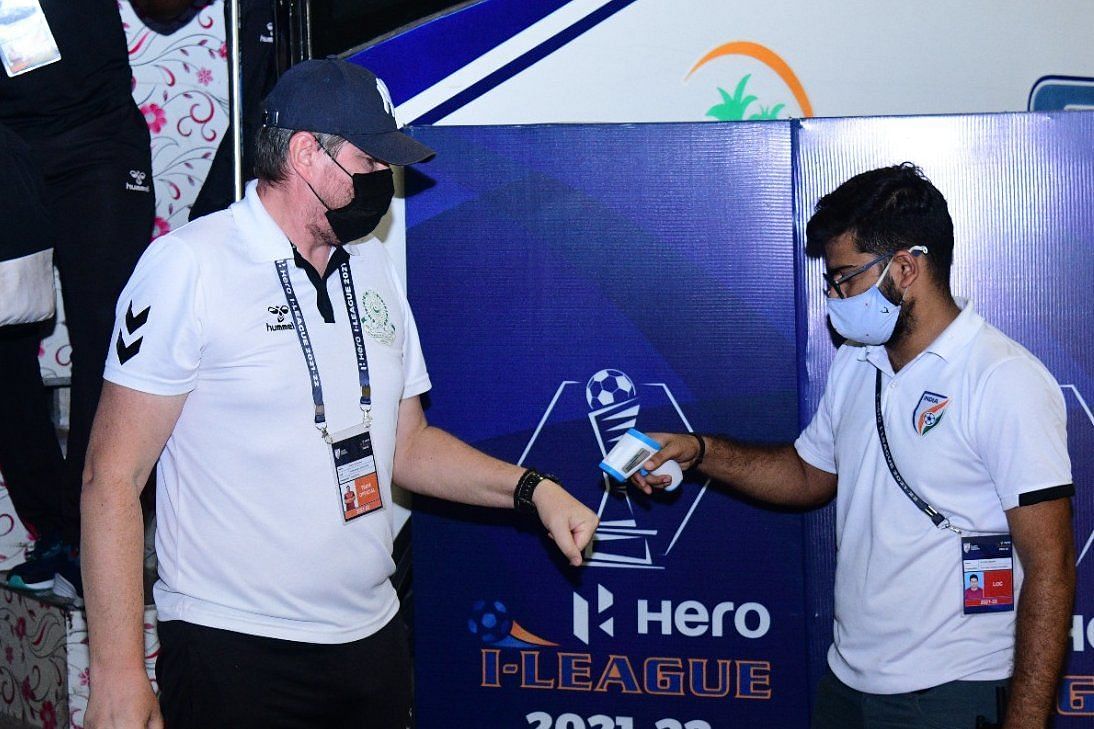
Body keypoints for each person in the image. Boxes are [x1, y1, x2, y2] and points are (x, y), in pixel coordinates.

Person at [80, 58, 598, 729]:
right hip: (237, 652)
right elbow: (110, 477)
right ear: (305, 153)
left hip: (370, 643)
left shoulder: (372, 265)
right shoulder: (190, 266)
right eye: (370, 161)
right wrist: (118, 671)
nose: (384, 181)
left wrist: (536, 489)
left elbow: (407, 445)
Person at [635, 164, 1074, 729]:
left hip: (953, 692)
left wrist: (1028, 721)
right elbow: (806, 474)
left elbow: (1051, 564)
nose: (835, 297)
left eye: (844, 278)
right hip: (848, 685)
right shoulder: (856, 361)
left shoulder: (1003, 378)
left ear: (905, 268)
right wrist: (698, 452)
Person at [0, 0, 176, 592]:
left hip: (97, 142)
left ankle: (93, 530)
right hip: (4, 150)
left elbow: (166, 11)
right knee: (3, 347)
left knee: (109, 333)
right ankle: (55, 529)